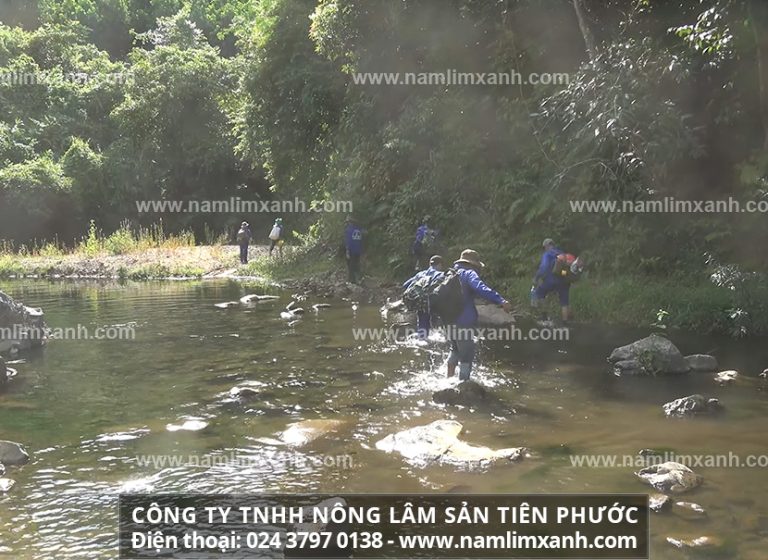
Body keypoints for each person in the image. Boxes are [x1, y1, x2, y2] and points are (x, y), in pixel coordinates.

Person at [447, 249, 511, 380]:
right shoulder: (468, 273)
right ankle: (463, 387)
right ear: (472, 264)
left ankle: (448, 380)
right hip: (464, 321)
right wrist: (501, 300)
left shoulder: (448, 273)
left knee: (455, 350)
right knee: (466, 357)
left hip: (448, 321)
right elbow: (480, 287)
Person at [402, 255, 445, 338]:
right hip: (432, 303)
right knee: (434, 325)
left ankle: (421, 339)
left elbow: (405, 285)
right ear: (440, 264)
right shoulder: (440, 274)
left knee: (422, 325)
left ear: (430, 264)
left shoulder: (420, 274)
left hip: (419, 303)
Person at [531, 238, 571, 322]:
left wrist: (536, 277)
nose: (544, 249)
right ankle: (565, 323)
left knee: (540, 293)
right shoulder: (562, 253)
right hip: (564, 281)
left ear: (547, 246)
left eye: (544, 247)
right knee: (564, 302)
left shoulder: (547, 254)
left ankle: (544, 318)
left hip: (551, 280)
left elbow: (543, 267)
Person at [344, 216, 363, 284]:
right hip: (358, 250)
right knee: (357, 264)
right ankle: (359, 278)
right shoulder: (359, 229)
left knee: (351, 265)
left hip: (352, 250)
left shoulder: (349, 230)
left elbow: (348, 241)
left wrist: (347, 251)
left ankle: (352, 280)